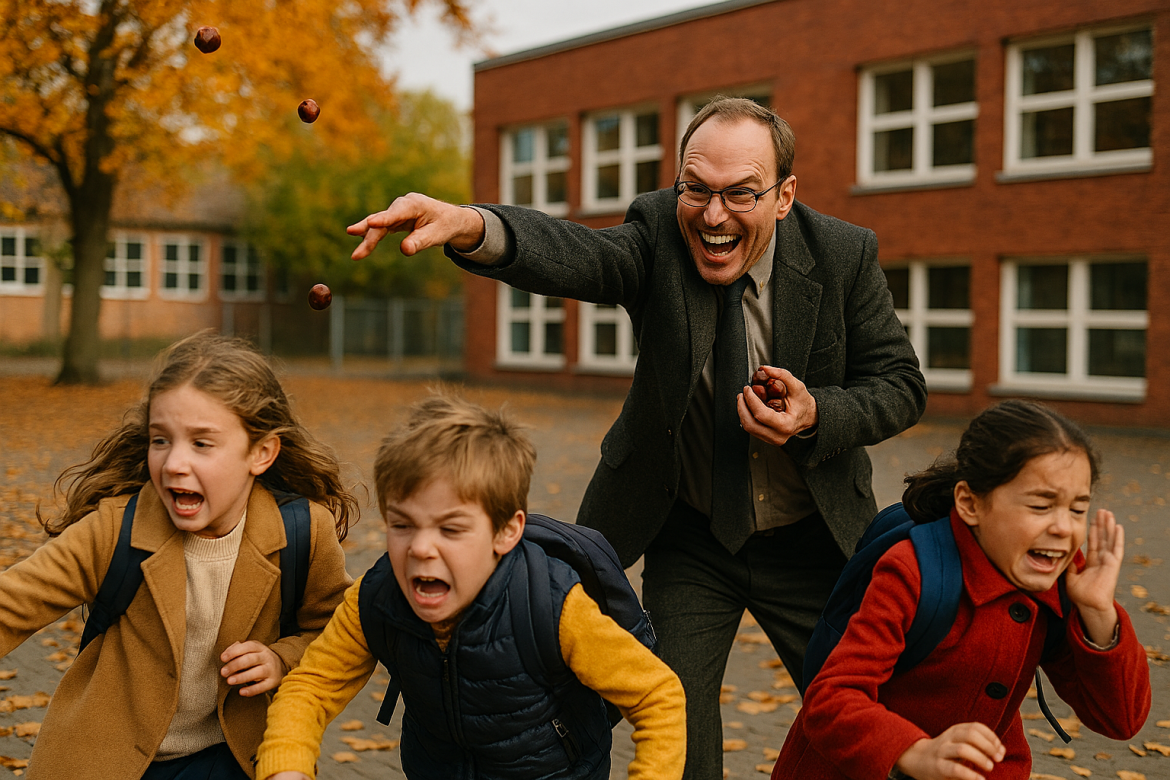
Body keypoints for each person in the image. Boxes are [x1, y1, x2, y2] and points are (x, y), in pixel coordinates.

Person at [347, 97, 927, 778]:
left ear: (783, 196)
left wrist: (816, 415)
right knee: (676, 723)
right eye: (696, 189)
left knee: (858, 723)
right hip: (690, 534)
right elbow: (577, 255)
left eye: (740, 193)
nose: (712, 215)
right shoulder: (657, 233)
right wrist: (472, 224)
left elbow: (900, 384)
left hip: (811, 540)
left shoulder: (843, 254)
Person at [255, 392, 686, 780]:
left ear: (505, 531)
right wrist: (286, 764)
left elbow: (658, 696)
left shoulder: (552, 606)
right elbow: (311, 686)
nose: (421, 548)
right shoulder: (376, 598)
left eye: (451, 529)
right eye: (402, 524)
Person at [0, 332, 358, 779]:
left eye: (202, 443)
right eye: (161, 440)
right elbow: (10, 604)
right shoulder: (115, 529)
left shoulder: (303, 531)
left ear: (261, 453)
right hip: (107, 761)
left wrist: (281, 658)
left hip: (230, 755)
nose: (173, 464)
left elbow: (337, 634)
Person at [771, 399, 1151, 780]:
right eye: (1040, 506)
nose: (1064, 529)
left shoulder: (1065, 580)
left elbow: (1121, 721)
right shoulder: (914, 570)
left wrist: (1099, 612)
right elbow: (831, 698)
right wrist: (913, 750)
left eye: (1077, 509)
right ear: (970, 503)